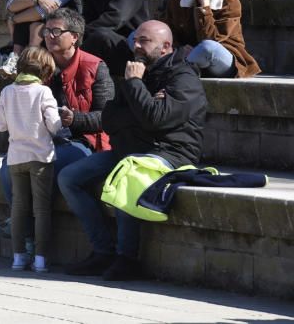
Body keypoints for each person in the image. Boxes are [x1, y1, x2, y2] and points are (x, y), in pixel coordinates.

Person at [59, 20, 206, 281]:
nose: (135, 45)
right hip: (129, 150)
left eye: (144, 41)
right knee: (69, 178)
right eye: (135, 39)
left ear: (165, 47)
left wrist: (136, 87)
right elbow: (109, 120)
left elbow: (154, 119)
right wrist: (140, 102)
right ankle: (103, 251)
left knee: (127, 176)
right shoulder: (136, 73)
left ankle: (127, 259)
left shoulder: (183, 79)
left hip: (169, 153)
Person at [0, 8, 113, 243]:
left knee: (42, 165)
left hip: (84, 143)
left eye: (56, 31)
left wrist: (75, 119)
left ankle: (24, 229)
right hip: (46, 139)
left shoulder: (94, 67)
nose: (49, 36)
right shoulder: (38, 65)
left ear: (75, 37)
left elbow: (108, 117)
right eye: (47, 31)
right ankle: (28, 231)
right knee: (8, 166)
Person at [0, 46, 62, 273]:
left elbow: (0, 125)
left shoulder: (7, 92)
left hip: (16, 157)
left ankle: (18, 257)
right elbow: (54, 125)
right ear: (44, 70)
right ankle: (41, 260)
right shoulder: (43, 92)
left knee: (19, 207)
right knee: (41, 209)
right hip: (41, 156)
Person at [164, 0, 260, 78]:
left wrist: (205, 6)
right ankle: (180, 72)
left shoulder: (229, 1)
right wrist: (180, 49)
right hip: (189, 57)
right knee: (138, 37)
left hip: (221, 58)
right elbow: (168, 29)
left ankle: (173, 75)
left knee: (207, 48)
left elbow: (211, 39)